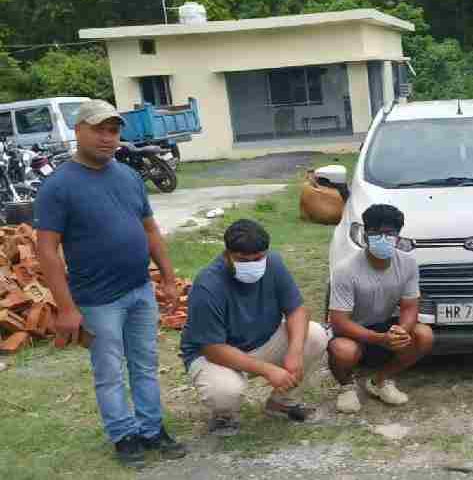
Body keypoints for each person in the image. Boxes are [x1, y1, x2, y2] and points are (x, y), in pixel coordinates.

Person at [34, 100, 186, 467]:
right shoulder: (58, 186)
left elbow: (150, 230)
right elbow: (47, 251)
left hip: (139, 290)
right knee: (109, 372)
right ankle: (124, 436)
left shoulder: (128, 176)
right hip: (98, 299)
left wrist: (168, 278)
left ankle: (152, 429)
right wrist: (66, 308)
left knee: (145, 364)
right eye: (98, 129)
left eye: (113, 131)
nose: (107, 138)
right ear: (78, 131)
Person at [180, 219, 328, 436]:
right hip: (216, 354)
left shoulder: (273, 263)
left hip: (261, 341)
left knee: (316, 336)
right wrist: (268, 370)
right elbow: (213, 349)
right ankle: (224, 415)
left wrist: (295, 353)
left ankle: (282, 403)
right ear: (227, 254)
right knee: (225, 392)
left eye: (258, 258)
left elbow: (297, 310)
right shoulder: (207, 284)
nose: (252, 264)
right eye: (242, 260)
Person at [327, 204, 433, 413]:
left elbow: (410, 306)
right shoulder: (345, 270)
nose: (383, 238)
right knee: (343, 351)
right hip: (353, 330)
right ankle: (346, 386)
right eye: (376, 233)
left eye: (389, 233)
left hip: (386, 325)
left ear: (398, 236)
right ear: (365, 235)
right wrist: (380, 339)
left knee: (424, 335)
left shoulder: (408, 263)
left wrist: (401, 331)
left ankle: (380, 381)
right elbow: (339, 321)